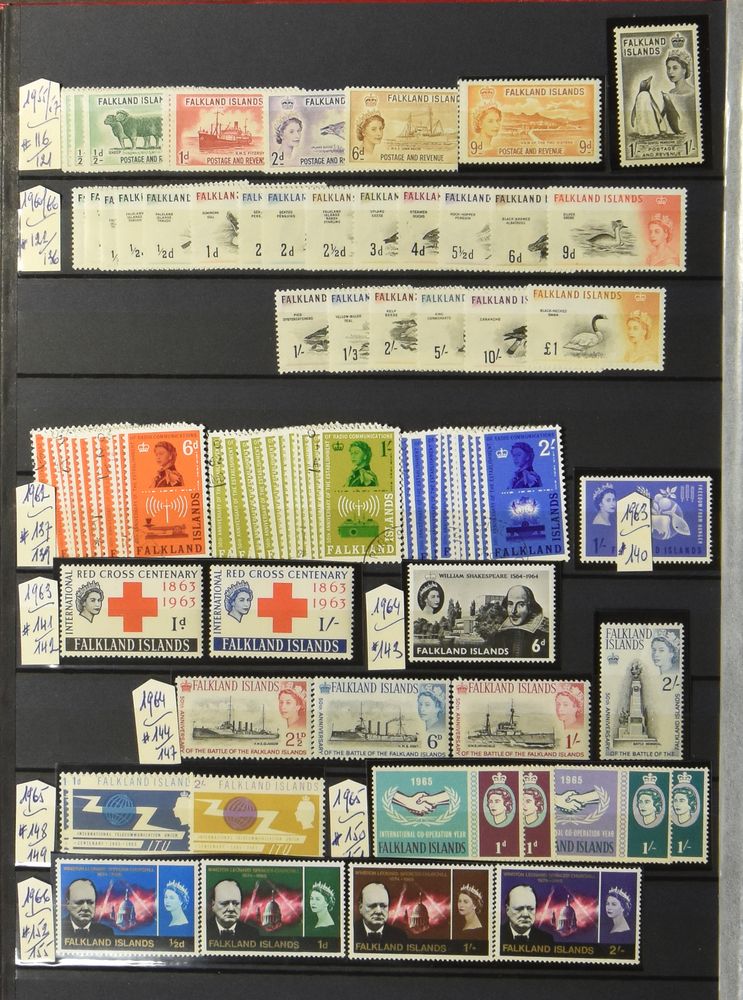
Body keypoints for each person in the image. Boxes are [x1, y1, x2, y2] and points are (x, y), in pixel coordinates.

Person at [494, 585, 549, 657]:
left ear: (530, 607)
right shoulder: (499, 636)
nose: (513, 611)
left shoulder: (543, 636)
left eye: (521, 604)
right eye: (510, 604)